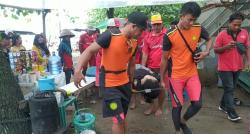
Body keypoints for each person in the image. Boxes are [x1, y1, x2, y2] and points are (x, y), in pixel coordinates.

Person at [74, 12, 148, 134]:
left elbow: (132, 63)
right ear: (133, 26)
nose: (141, 34)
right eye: (141, 30)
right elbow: (89, 50)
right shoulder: (110, 35)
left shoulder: (134, 42)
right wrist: (77, 70)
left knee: (122, 117)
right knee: (118, 119)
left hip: (124, 83)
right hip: (109, 85)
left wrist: (131, 82)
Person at [160, 2, 212, 134]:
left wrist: (206, 51)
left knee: (198, 104)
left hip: (192, 73)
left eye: (194, 20)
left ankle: (183, 121)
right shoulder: (169, 35)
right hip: (176, 75)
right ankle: (178, 131)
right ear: (181, 16)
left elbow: (209, 39)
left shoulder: (198, 27)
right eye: (190, 19)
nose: (191, 22)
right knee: (177, 105)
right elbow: (165, 59)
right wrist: (161, 78)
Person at [214, 12, 250, 122]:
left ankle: (222, 105)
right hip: (224, 68)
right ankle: (231, 112)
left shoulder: (244, 32)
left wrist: (249, 61)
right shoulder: (222, 34)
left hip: (238, 66)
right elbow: (216, 50)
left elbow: (247, 47)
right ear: (229, 23)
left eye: (239, 25)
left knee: (230, 89)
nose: (237, 27)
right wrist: (226, 47)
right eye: (235, 24)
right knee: (229, 89)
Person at [141, 13, 167, 116]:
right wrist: (143, 68)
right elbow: (145, 53)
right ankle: (152, 106)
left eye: (158, 24)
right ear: (151, 25)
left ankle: (160, 107)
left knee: (162, 88)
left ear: (162, 24)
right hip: (151, 68)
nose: (156, 26)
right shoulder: (147, 37)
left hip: (164, 68)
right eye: (154, 24)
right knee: (149, 88)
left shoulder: (167, 35)